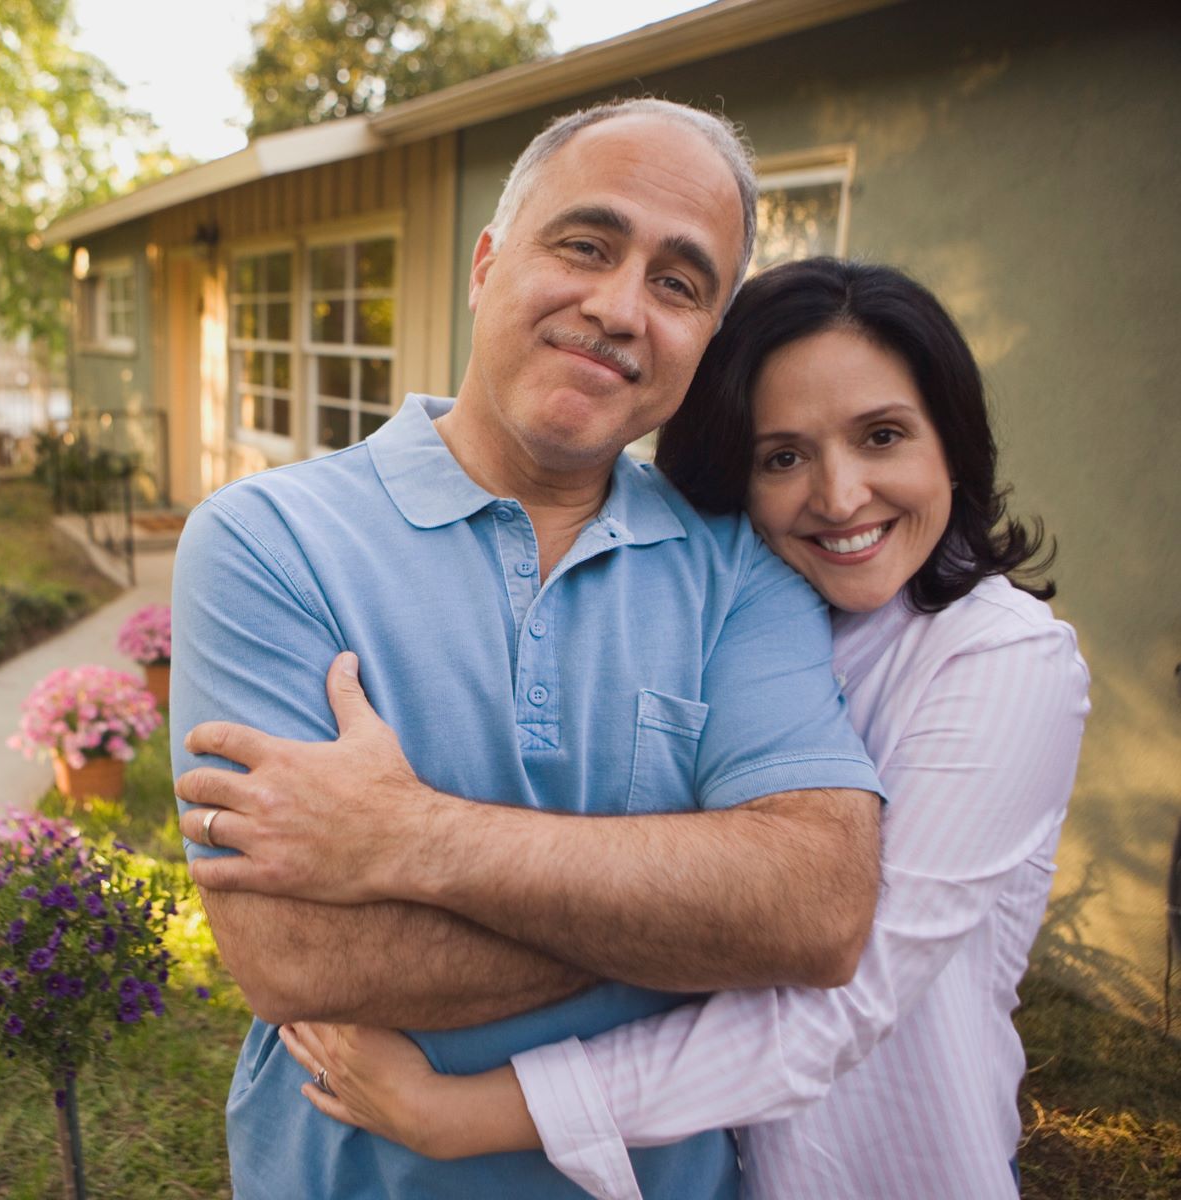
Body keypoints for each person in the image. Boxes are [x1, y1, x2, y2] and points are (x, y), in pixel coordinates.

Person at [168, 99, 887, 1199]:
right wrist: (697, 919)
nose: (619, 306)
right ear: (487, 264)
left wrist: (409, 839)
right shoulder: (270, 541)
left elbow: (817, 909)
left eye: (679, 283)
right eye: (586, 245)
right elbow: (297, 958)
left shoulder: (743, 565)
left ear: (704, 340)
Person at [251, 259, 1090, 1199]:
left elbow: (838, 992)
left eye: (882, 436)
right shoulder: (743, 603)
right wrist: (691, 907)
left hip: (891, 1169)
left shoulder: (1001, 657)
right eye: (783, 456)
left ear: (953, 445)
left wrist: (461, 1113)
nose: (841, 495)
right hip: (720, 1170)